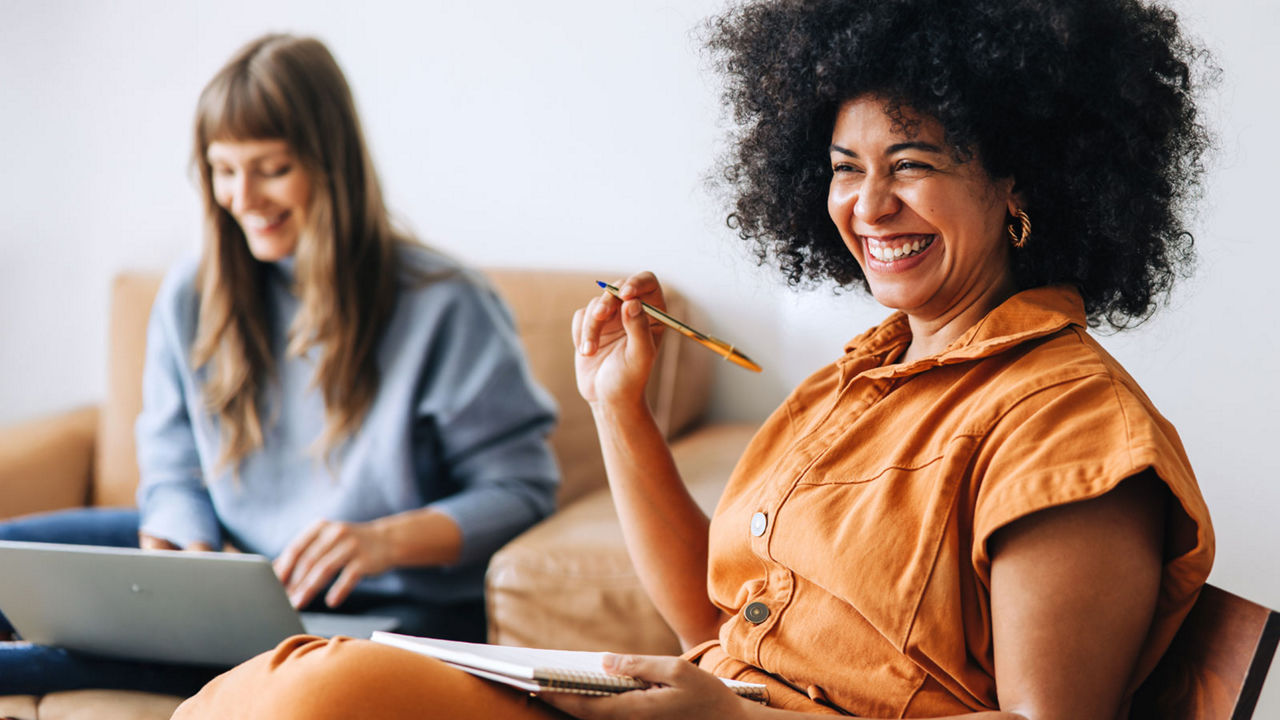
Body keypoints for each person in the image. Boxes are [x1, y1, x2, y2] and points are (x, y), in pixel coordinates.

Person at [170, 0, 1215, 717]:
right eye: (844, 169)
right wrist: (618, 410)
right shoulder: (858, 378)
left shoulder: (1067, 423)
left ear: (1021, 185)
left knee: (310, 697)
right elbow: (709, 619)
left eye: (912, 165)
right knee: (295, 677)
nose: (866, 206)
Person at [0, 34, 559, 696]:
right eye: (223, 170)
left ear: (331, 165)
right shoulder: (191, 293)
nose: (245, 197)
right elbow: (173, 466)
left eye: (271, 168)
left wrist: (382, 541)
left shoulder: (444, 302)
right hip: (234, 568)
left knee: (45, 662)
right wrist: (186, 560)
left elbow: (521, 491)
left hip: (383, 603)